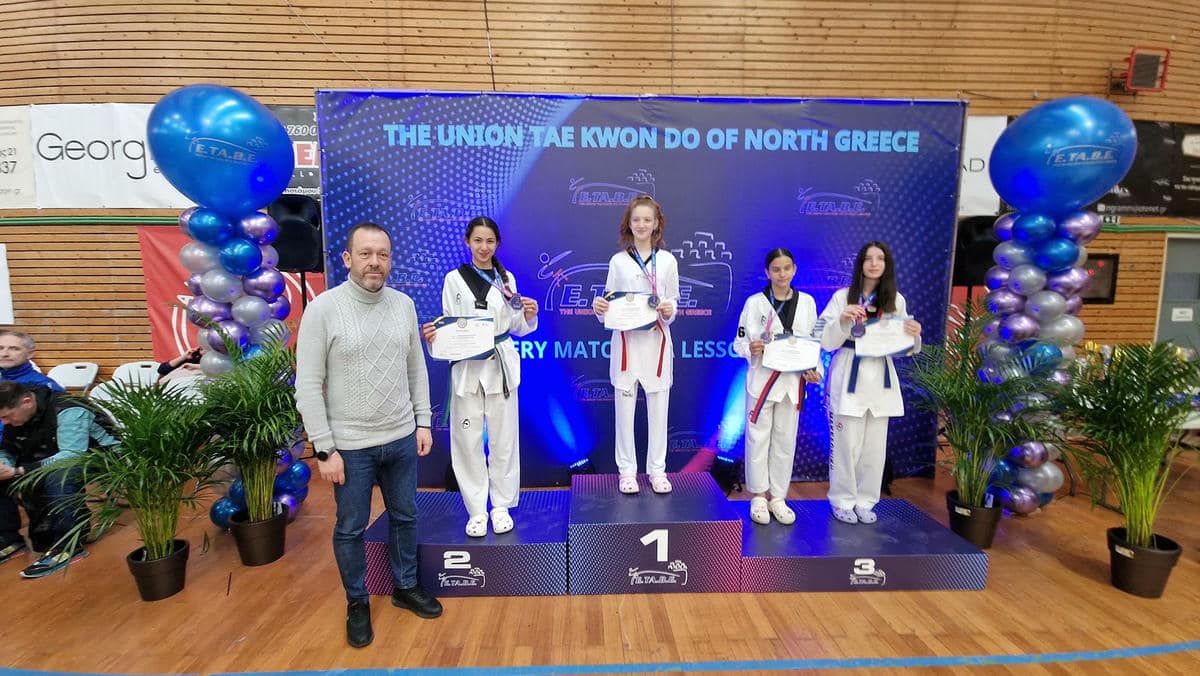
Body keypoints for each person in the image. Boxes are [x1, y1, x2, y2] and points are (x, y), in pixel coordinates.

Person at [295, 222, 442, 649]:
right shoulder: (323, 309)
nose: (374, 262)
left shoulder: (404, 305)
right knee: (351, 528)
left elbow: (416, 369)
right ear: (347, 259)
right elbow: (308, 385)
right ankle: (357, 603)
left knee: (405, 516)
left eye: (382, 254)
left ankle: (405, 586)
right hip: (350, 447)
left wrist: (423, 421)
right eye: (365, 254)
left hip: (401, 437)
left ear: (390, 260)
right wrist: (324, 449)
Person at [421, 217, 539, 538]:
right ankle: (476, 510)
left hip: (500, 365)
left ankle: (500, 506)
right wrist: (436, 337)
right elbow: (450, 325)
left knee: (504, 440)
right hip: (467, 367)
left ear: (497, 243)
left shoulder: (506, 279)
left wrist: (528, 315)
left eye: (489, 241)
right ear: (467, 242)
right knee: (467, 441)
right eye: (477, 241)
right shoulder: (453, 279)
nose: (483, 247)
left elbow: (517, 326)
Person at [818, 241, 922, 525]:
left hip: (881, 378)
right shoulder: (842, 297)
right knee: (846, 445)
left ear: (887, 264)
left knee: (874, 449)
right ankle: (842, 501)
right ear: (860, 264)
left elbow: (905, 349)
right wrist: (841, 321)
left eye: (880, 258)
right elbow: (822, 338)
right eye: (868, 258)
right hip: (848, 373)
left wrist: (914, 334)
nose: (874, 264)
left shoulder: (896, 300)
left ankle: (865, 501)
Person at [591, 195, 679, 495]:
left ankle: (657, 470)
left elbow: (673, 301)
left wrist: (668, 310)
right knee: (624, 413)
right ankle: (627, 471)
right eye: (636, 219)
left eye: (647, 220)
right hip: (627, 346)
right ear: (629, 224)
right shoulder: (618, 261)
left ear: (656, 224)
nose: (641, 225)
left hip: (656, 345)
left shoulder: (667, 261)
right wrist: (600, 307)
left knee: (659, 412)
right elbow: (609, 301)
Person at [732, 248, 822, 525]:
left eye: (786, 268)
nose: (782, 274)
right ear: (767, 272)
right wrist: (750, 348)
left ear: (794, 269)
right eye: (776, 269)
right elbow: (738, 343)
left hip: (792, 384)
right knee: (757, 439)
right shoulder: (755, 303)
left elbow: (813, 344)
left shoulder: (807, 303)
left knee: (785, 441)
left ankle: (779, 497)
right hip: (762, 382)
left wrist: (815, 370)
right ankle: (759, 496)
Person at [0, 381, 119, 577]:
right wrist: (4, 465)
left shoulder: (68, 409)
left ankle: (68, 544)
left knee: (60, 475)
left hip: (102, 457)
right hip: (53, 457)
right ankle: (8, 539)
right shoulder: (18, 415)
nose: (4, 423)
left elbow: (72, 455)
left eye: (6, 416)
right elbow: (8, 449)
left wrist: (19, 470)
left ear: (27, 402)